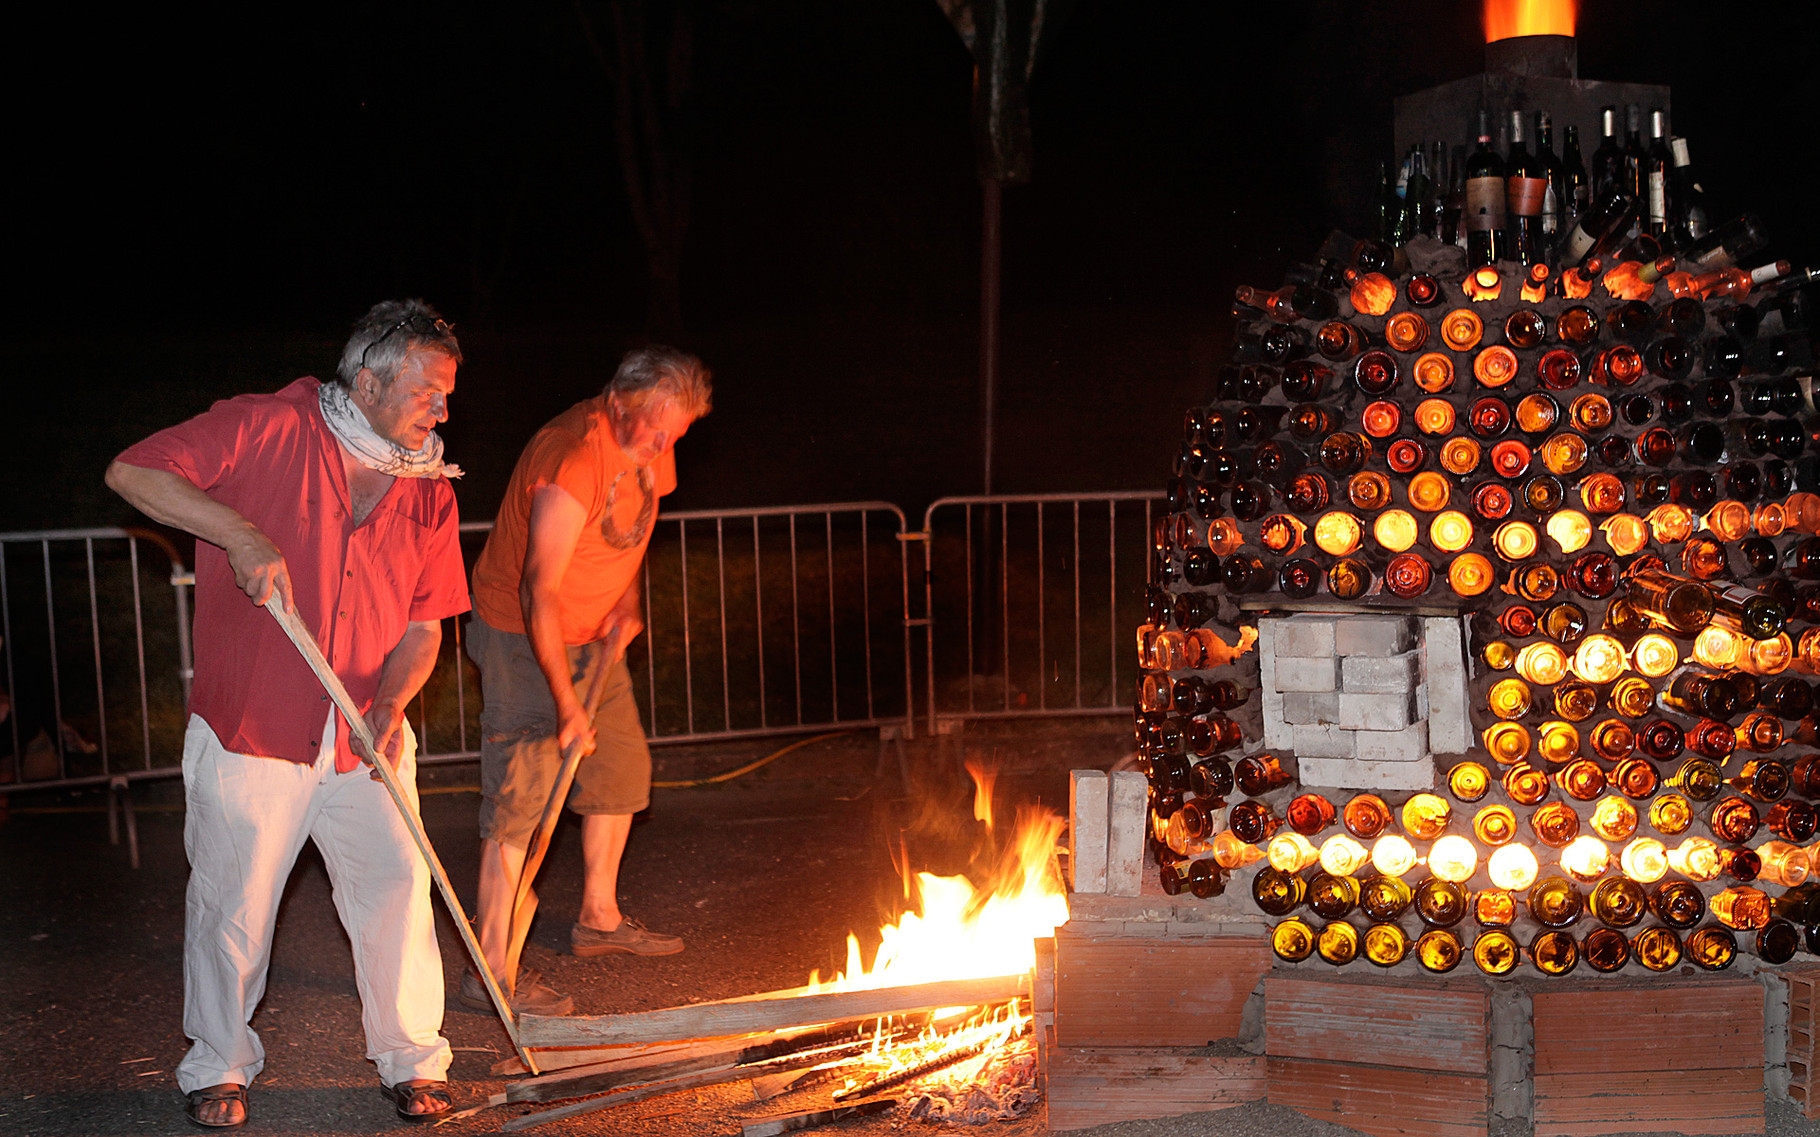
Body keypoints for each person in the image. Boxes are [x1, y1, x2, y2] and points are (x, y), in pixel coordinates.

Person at [104, 300, 469, 1128]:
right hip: (254, 731)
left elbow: (425, 624)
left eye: (449, 394)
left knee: (399, 891)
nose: (442, 410)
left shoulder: (429, 486)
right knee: (235, 906)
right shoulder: (267, 425)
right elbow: (133, 473)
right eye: (427, 391)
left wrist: (390, 703)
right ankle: (218, 1065)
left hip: (364, 734)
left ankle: (412, 1059)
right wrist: (236, 532)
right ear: (367, 381)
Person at [462, 345, 710, 1016]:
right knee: (520, 805)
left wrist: (626, 601)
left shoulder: (652, 442)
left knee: (621, 771)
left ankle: (599, 919)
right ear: (620, 404)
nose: (665, 446)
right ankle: (493, 970)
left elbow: (633, 530)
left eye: (677, 435)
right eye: (658, 431)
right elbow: (537, 588)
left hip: (592, 633)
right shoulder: (570, 456)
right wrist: (566, 703)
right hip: (521, 631)